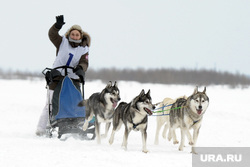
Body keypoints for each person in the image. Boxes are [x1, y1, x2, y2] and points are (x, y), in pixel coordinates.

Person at [36, 15, 91, 136]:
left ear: (81, 36)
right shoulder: (62, 42)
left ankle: (75, 123)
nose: (75, 36)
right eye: (73, 34)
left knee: (74, 102)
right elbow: (52, 35)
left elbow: (84, 62)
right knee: (50, 104)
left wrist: (81, 69)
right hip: (57, 77)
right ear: (69, 35)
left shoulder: (84, 49)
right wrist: (57, 26)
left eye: (77, 35)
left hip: (73, 79)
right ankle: (41, 128)